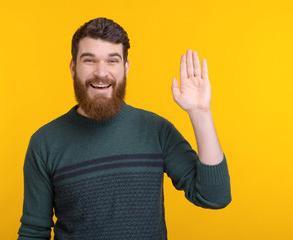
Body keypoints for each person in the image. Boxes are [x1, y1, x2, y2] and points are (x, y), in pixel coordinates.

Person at [17, 17, 231, 240]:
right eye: (89, 60)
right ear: (73, 68)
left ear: (125, 68)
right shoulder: (44, 143)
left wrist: (201, 113)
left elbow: (214, 196)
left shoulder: (156, 130)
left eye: (112, 61)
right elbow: (34, 232)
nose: (101, 72)